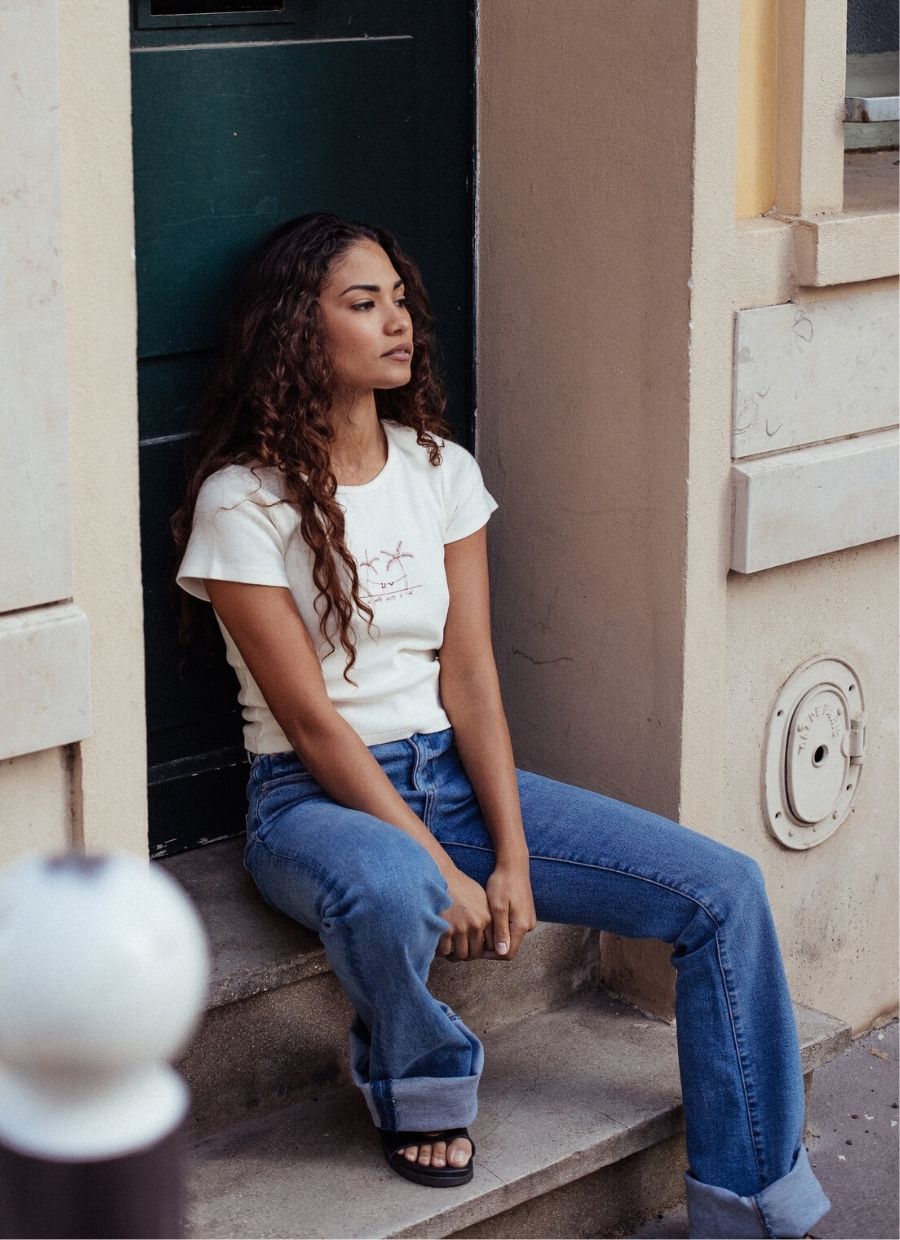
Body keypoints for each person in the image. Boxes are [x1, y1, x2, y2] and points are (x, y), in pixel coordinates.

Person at [173, 212, 830, 1238]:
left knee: (723, 890)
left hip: (450, 771)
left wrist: (510, 855)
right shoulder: (242, 501)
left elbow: (471, 676)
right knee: (396, 889)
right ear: (295, 331)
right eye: (363, 303)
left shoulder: (439, 470)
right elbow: (310, 720)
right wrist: (440, 862)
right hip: (312, 800)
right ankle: (419, 1080)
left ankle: (751, 1205)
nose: (398, 322)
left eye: (399, 299)